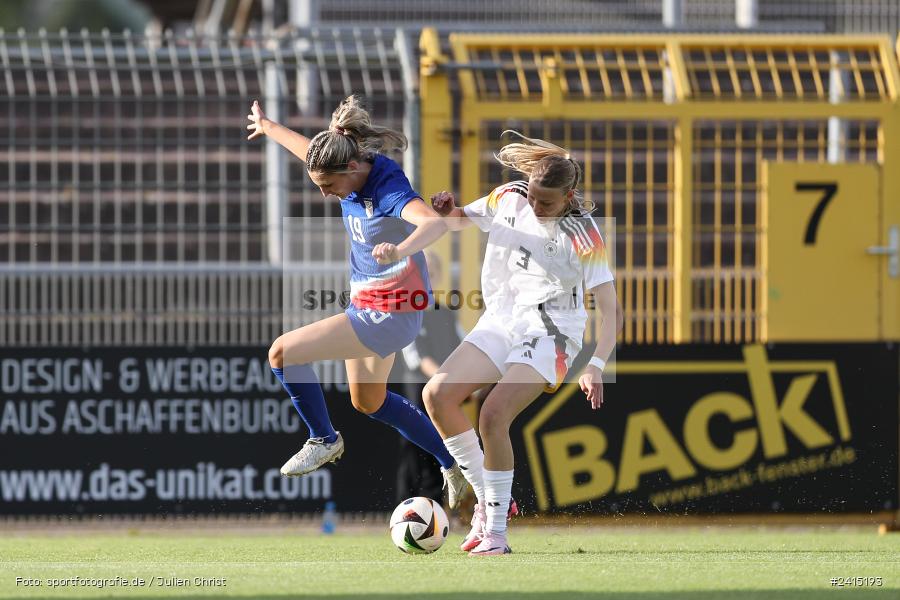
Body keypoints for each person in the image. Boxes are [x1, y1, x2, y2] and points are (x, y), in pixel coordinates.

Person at [246, 95, 468, 508]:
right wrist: (270, 127)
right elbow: (311, 154)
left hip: (391, 310)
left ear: (350, 168)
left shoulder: (386, 188)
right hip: (369, 300)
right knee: (369, 400)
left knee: (281, 353)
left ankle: (324, 439)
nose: (327, 195)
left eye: (328, 186)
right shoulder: (341, 160)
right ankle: (451, 463)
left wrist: (401, 250)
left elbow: (434, 224)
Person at [423, 132, 623, 555]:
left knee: (493, 414)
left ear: (569, 196)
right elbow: (461, 217)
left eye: (546, 202)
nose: (535, 206)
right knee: (437, 395)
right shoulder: (509, 195)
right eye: (532, 195)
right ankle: (489, 498)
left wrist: (597, 364)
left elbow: (609, 308)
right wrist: (447, 210)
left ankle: (495, 532)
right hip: (501, 320)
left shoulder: (584, 234)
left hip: (552, 332)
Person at [391, 250, 463, 505]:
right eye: (422, 272)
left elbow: (462, 347)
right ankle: (405, 507)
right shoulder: (407, 311)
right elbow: (418, 359)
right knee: (413, 446)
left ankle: (435, 509)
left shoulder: (446, 312)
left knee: (442, 445)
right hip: (417, 390)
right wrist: (446, 378)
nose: (426, 278)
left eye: (431, 273)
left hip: (444, 393)